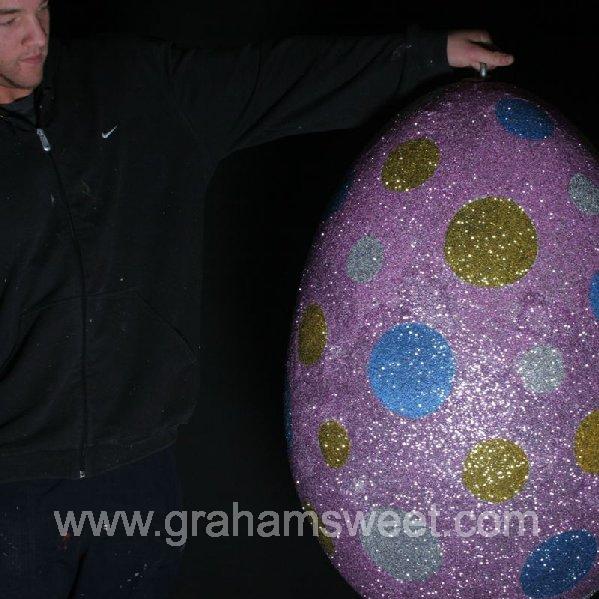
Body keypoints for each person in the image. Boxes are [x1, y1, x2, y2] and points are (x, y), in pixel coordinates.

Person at [0, 0, 514, 596]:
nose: (37, 35)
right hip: (14, 488)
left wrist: (425, 54)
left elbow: (276, 77)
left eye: (41, 8)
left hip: (136, 474)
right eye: (8, 19)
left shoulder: (130, 85)